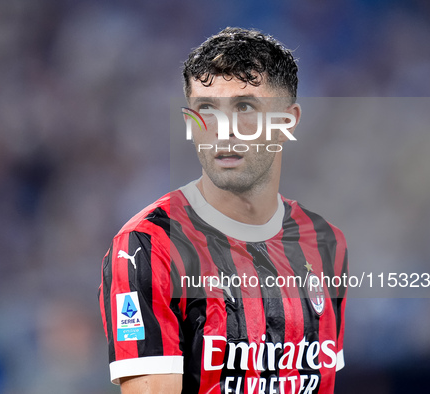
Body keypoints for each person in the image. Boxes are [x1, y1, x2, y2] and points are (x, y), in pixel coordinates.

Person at [99, 27, 348, 394]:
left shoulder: (325, 242)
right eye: (206, 110)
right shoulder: (148, 247)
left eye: (245, 107)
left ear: (288, 123)